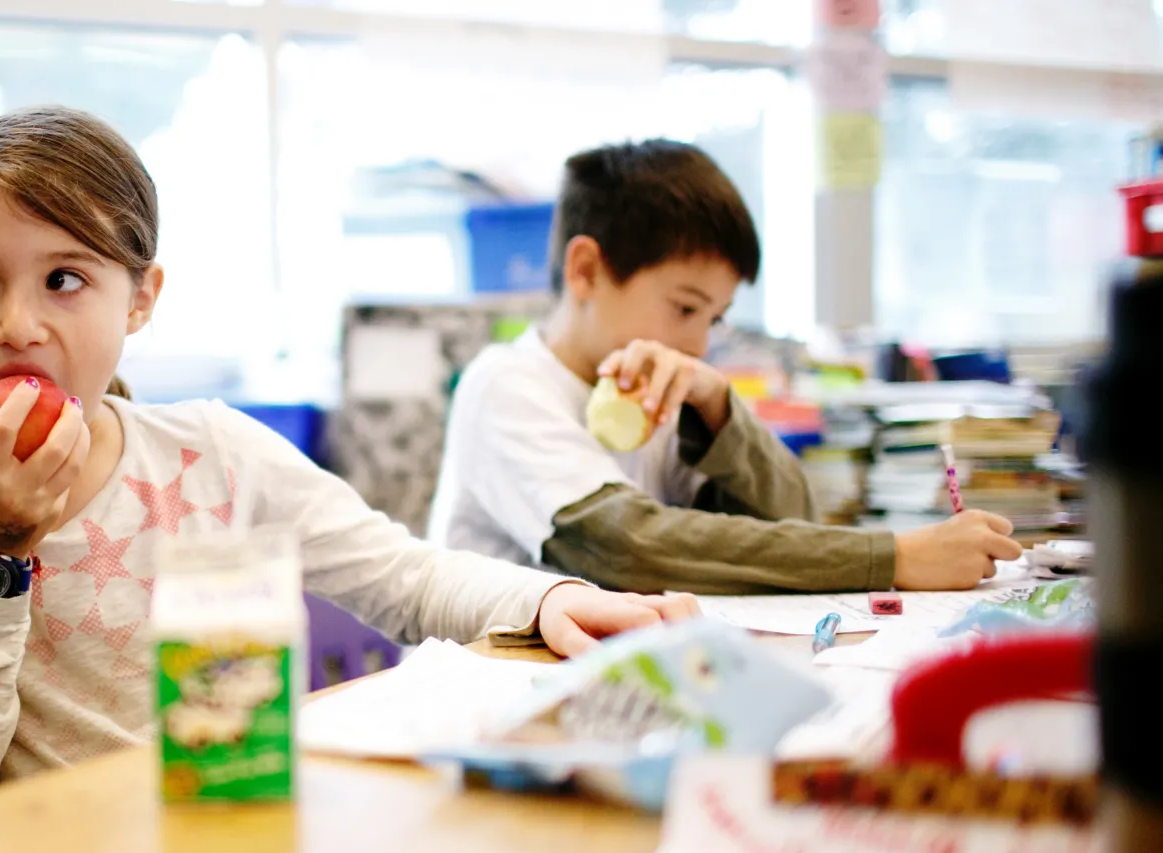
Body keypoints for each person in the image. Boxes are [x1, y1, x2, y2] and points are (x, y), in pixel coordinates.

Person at [0, 106, 698, 812]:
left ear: (141, 300)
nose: (15, 325)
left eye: (65, 279)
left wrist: (554, 597)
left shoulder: (211, 455)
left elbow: (406, 578)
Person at [428, 139, 1022, 595]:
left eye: (713, 319)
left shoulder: (655, 396)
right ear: (586, 270)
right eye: (684, 307)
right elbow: (624, 547)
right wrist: (896, 557)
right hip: (480, 687)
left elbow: (792, 517)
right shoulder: (505, 385)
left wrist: (717, 410)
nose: (696, 344)